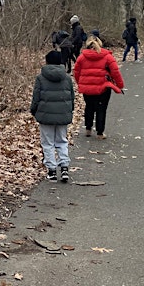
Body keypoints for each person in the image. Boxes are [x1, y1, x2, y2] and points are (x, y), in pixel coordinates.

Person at [30, 50, 75, 183]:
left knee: (47, 143)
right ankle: (65, 167)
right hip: (62, 115)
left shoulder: (41, 78)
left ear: (47, 61)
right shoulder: (67, 78)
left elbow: (36, 98)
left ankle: (52, 171)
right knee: (62, 141)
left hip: (45, 115)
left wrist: (34, 111)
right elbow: (71, 97)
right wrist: (69, 111)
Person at [73, 35, 125, 140]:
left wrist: (81, 83)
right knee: (101, 109)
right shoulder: (107, 56)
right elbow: (115, 72)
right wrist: (120, 85)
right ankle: (100, 133)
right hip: (103, 88)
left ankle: (88, 129)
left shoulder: (82, 57)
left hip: (87, 89)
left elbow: (76, 71)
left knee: (89, 107)